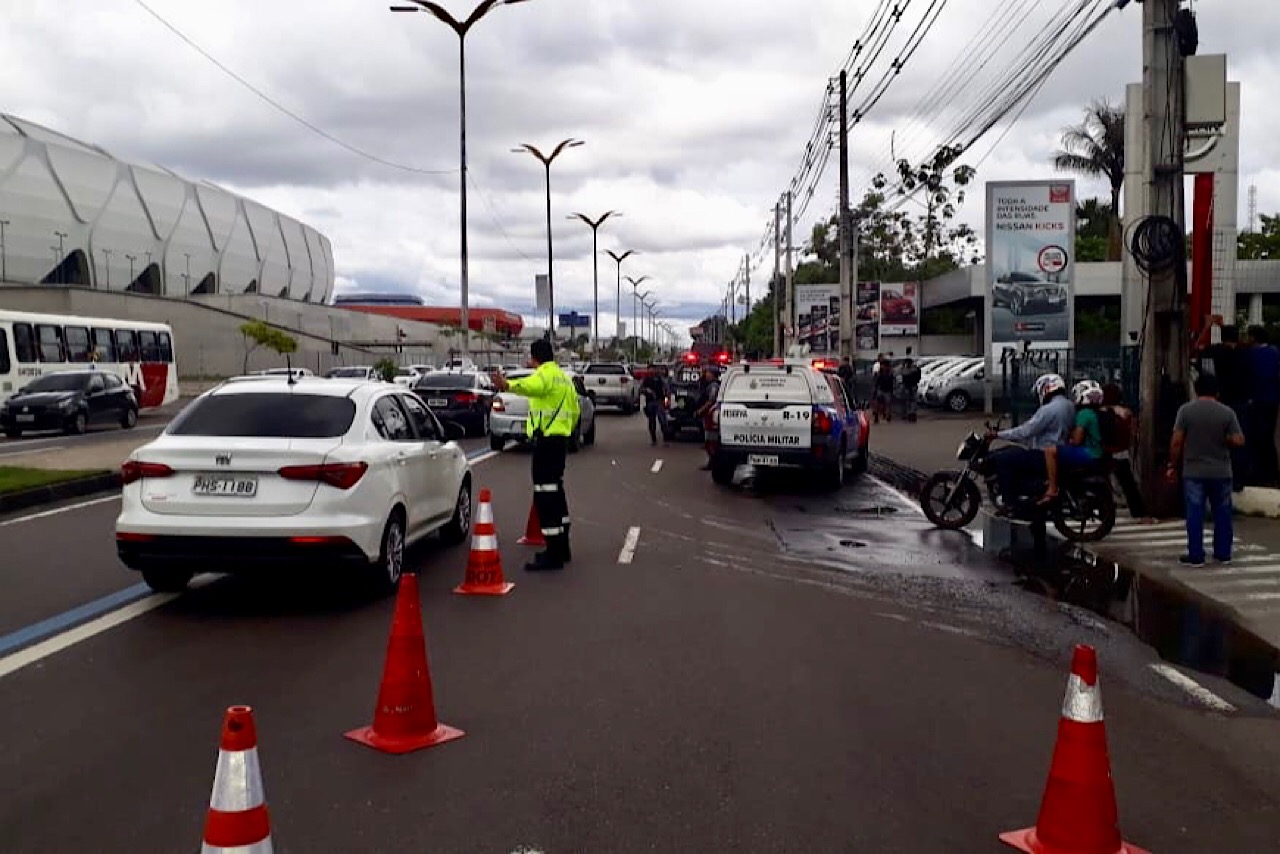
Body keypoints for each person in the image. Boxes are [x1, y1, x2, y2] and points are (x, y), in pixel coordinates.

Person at [490, 339, 581, 571]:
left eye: (529, 357)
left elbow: (531, 386)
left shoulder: (545, 375)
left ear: (535, 357)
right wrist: (565, 431)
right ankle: (562, 547)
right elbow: (575, 411)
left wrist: (506, 385)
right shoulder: (563, 378)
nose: (528, 361)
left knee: (545, 496)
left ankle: (553, 554)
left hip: (547, 443)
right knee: (557, 494)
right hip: (559, 442)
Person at [1169, 372, 1246, 566]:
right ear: (1217, 391)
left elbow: (1176, 442)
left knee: (1195, 515)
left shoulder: (1185, 411)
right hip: (1221, 472)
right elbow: (1239, 440)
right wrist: (1224, 438)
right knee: (1223, 514)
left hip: (1193, 472)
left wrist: (1172, 465)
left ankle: (1196, 555)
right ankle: (1223, 553)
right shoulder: (1227, 413)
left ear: (1196, 390)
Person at [986, 373, 1074, 511]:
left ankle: (1009, 502)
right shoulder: (1069, 405)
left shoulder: (1048, 410)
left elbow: (1026, 431)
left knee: (1004, 459)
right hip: (1058, 452)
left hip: (1043, 455)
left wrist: (998, 434)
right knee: (1013, 452)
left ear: (1046, 389)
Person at [1198, 321, 1251, 490]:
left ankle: (1215, 477)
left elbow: (1199, 357)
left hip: (1219, 401)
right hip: (1241, 402)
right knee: (1239, 440)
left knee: (1215, 440)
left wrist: (1206, 326)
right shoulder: (1245, 353)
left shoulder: (1212, 352)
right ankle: (1238, 480)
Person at [1039, 380, 1105, 503]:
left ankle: (1052, 488)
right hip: (1098, 452)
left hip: (1089, 453)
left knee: (1050, 451)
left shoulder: (1083, 414)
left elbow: (1076, 440)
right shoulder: (1098, 412)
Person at [1100, 382, 1153, 521]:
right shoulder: (1125, 412)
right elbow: (1133, 432)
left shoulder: (1101, 412)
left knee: (1103, 483)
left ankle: (1103, 512)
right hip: (1121, 451)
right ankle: (1139, 512)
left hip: (1105, 450)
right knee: (1128, 484)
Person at [1246, 326, 1280, 485]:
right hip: (1272, 401)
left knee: (1255, 437)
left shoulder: (1251, 354)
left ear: (1253, 338)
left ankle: (1258, 473)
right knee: (1268, 437)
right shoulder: (1275, 352)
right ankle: (1272, 473)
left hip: (1256, 401)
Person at [695, 366, 721, 471]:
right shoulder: (707, 384)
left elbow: (711, 400)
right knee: (708, 441)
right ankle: (712, 462)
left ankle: (713, 463)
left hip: (711, 415)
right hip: (708, 415)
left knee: (710, 441)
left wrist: (701, 410)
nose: (706, 374)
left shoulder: (714, 386)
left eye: (708, 373)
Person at [641, 365, 671, 445]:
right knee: (651, 422)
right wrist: (646, 390)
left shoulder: (660, 379)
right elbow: (641, 389)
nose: (651, 371)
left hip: (659, 402)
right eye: (649, 370)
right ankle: (653, 439)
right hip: (650, 402)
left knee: (663, 421)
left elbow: (667, 390)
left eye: (652, 369)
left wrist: (667, 400)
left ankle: (666, 439)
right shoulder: (646, 379)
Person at [872, 354, 894, 424]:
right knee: (878, 403)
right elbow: (876, 382)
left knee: (887, 404)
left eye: (884, 365)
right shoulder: (880, 373)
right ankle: (877, 416)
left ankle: (887, 416)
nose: (883, 367)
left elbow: (892, 382)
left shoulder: (889, 373)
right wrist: (875, 389)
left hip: (887, 390)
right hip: (881, 390)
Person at [901, 358, 921, 422]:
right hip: (912, 386)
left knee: (909, 400)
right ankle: (912, 413)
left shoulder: (907, 370)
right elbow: (918, 377)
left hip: (909, 387)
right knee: (912, 400)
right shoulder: (916, 369)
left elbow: (904, 377)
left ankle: (910, 413)